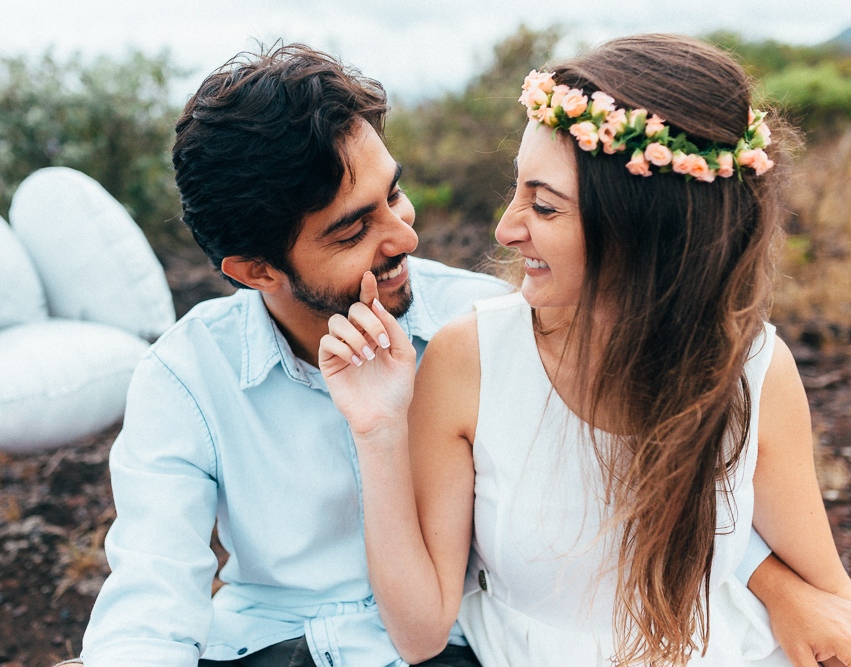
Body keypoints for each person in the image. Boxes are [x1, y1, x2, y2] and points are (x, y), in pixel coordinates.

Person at [69, 42, 844, 667]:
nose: (405, 235)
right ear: (256, 270)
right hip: (269, 647)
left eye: (393, 195)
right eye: (352, 228)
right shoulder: (187, 377)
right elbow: (152, 594)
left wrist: (775, 582)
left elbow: (640, 481)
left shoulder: (491, 319)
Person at [319, 34, 851, 667]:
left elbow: (826, 597)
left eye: (544, 206)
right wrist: (379, 431)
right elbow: (420, 632)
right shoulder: (472, 359)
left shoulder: (754, 368)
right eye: (517, 190)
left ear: (642, 229)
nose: (506, 228)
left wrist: (793, 598)